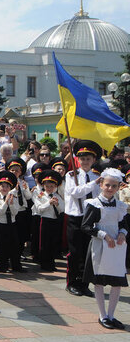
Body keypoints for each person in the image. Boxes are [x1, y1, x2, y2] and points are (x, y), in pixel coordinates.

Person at [81, 168, 128, 330]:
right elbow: (86, 226)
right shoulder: (94, 204)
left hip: (116, 247)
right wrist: (103, 235)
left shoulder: (121, 206)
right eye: (107, 185)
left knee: (117, 282)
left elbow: (124, 224)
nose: (110, 188)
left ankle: (112, 315)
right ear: (101, 184)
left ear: (118, 187)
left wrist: (122, 233)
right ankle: (102, 315)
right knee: (99, 282)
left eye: (114, 186)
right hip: (100, 246)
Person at [65, 139, 102, 297]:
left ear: (93, 160)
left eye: (88, 159)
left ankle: (84, 283)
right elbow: (75, 192)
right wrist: (93, 184)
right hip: (75, 217)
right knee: (75, 251)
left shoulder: (96, 176)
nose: (85, 161)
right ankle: (72, 282)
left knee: (88, 252)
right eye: (82, 159)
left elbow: (99, 197)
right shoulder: (71, 175)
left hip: (90, 218)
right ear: (77, 160)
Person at [0, 170, 24, 273]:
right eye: (2, 186)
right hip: (0, 224)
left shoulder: (13, 197)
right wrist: (6, 202)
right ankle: (3, 267)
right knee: (2, 247)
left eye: (7, 186)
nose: (5, 188)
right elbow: (0, 211)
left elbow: (15, 212)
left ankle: (16, 266)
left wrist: (11, 204)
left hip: (11, 223)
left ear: (10, 188)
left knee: (14, 246)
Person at [33, 169, 64, 272]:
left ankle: (51, 262)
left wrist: (57, 204)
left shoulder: (57, 196)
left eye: (52, 186)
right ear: (43, 186)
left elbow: (63, 209)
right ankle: (44, 263)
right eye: (47, 186)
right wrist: (48, 203)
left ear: (55, 186)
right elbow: (39, 208)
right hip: (45, 220)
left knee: (53, 242)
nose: (49, 188)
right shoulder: (40, 196)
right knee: (44, 243)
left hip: (55, 220)